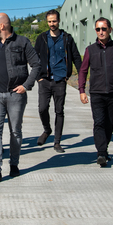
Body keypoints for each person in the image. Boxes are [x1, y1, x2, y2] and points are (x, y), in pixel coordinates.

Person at [0, 13, 41, 181]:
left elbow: (36, 65)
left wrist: (26, 85)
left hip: (16, 95)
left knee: (15, 131)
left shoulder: (22, 42)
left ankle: (14, 164)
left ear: (2, 26)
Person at [78, 17, 113, 167]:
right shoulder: (90, 50)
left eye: (104, 29)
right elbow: (83, 71)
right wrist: (82, 90)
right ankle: (101, 153)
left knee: (110, 123)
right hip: (96, 92)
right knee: (99, 122)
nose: (101, 32)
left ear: (110, 30)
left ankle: (104, 149)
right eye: (98, 29)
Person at [34, 10, 82, 153]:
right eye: (49, 21)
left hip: (60, 79)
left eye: (54, 21)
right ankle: (47, 130)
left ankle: (57, 142)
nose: (52, 24)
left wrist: (81, 76)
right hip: (45, 80)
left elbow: (76, 57)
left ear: (59, 21)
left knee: (59, 110)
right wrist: (38, 77)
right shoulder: (42, 38)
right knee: (42, 108)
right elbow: (34, 58)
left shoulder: (67, 38)